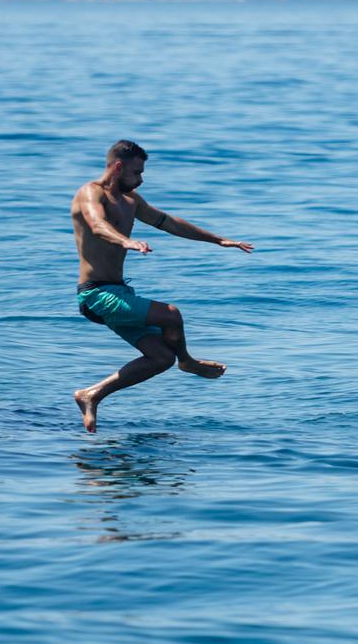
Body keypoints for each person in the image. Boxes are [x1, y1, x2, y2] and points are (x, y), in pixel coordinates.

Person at [71, 140, 254, 433]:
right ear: (118, 167)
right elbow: (97, 225)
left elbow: (169, 223)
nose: (141, 180)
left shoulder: (132, 201)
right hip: (97, 293)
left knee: (160, 358)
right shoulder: (90, 193)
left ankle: (91, 395)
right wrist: (126, 241)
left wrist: (219, 240)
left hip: (120, 291)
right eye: (136, 173)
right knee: (170, 314)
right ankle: (188, 362)